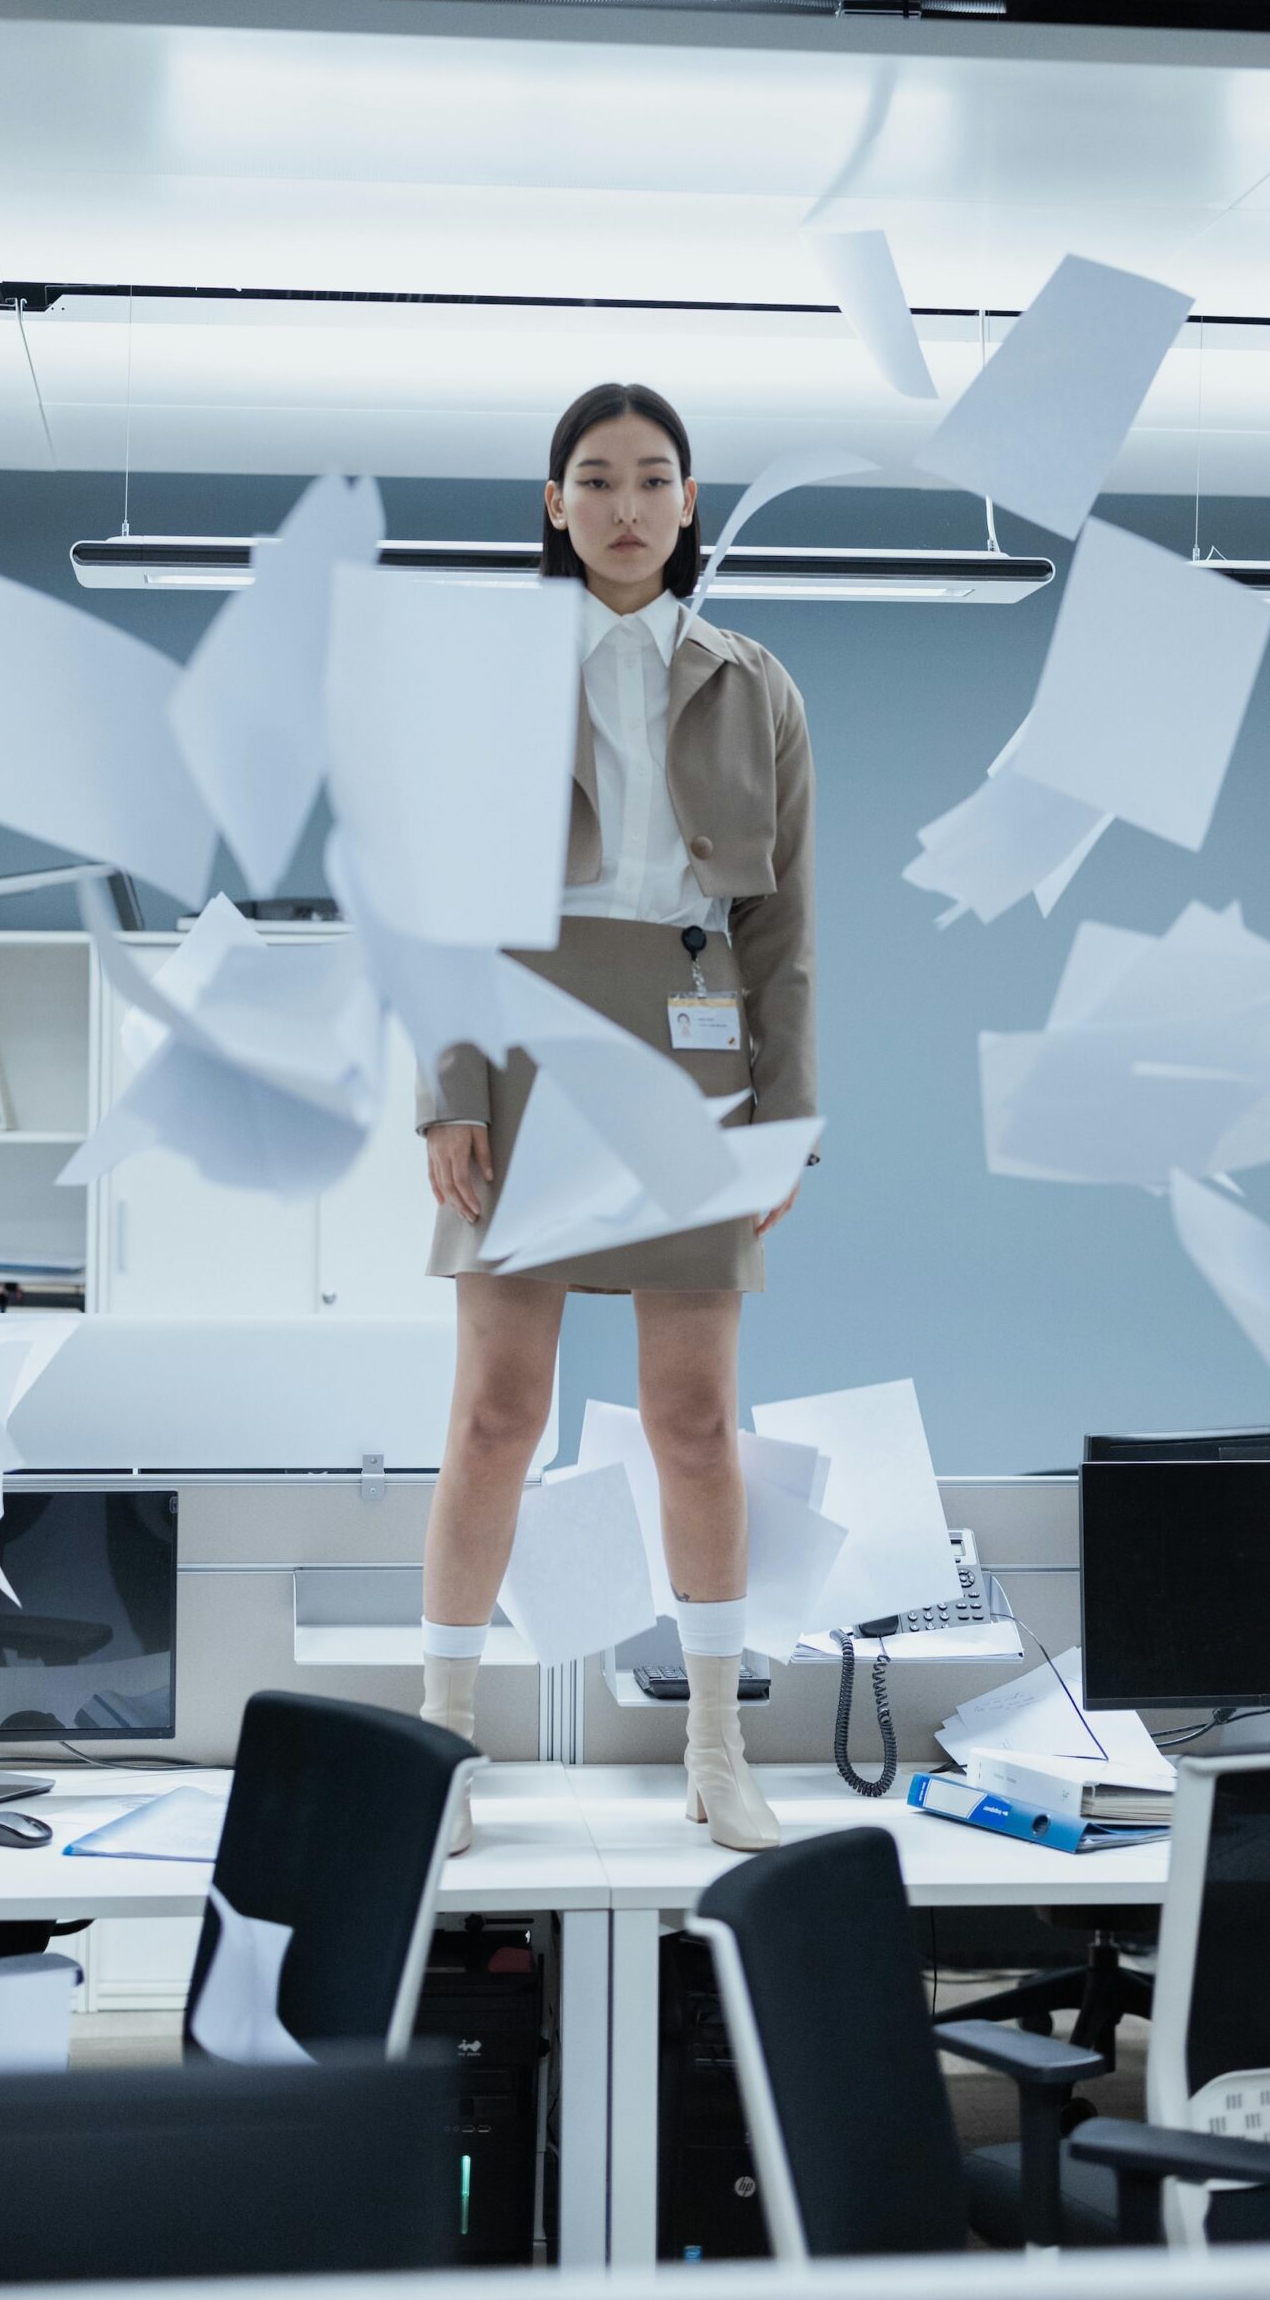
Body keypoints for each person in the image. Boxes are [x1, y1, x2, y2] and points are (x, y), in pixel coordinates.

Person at [415, 380, 818, 1852]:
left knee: (694, 1420)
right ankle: (442, 1749)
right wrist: (445, 1095)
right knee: (494, 1413)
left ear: (690, 503)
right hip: (521, 1035)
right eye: (596, 479)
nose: (627, 506)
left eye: (654, 479)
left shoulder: (755, 681)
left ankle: (717, 1751)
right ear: (553, 504)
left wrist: (792, 1112)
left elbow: (784, 926)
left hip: (693, 1049)